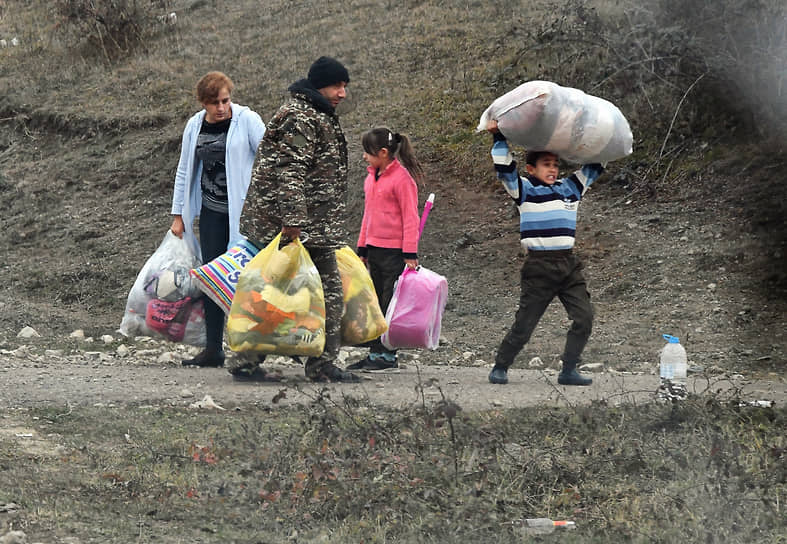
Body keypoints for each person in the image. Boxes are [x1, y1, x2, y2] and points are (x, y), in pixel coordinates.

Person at [229, 56, 360, 383]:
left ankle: (248, 360)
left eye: (344, 86)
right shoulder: (300, 117)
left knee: (276, 292)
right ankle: (319, 365)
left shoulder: (317, 113)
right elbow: (290, 171)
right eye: (336, 85)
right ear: (318, 85)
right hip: (294, 225)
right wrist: (293, 222)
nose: (342, 93)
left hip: (311, 224)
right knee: (317, 290)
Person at [485, 119, 604, 386]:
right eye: (546, 164)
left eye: (555, 164)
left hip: (568, 266)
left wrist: (602, 138)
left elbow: (595, 166)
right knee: (525, 323)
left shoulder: (571, 189)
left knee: (584, 317)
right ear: (531, 169)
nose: (552, 169)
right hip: (539, 268)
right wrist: (498, 138)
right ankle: (501, 365)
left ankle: (569, 369)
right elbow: (504, 169)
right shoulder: (524, 190)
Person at [170, 71, 266, 368]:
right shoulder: (194, 126)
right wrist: (178, 214)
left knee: (246, 280)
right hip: (212, 213)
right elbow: (185, 169)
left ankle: (251, 347)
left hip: (245, 215)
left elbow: (270, 157)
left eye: (225, 100)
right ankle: (213, 348)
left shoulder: (247, 121)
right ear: (203, 103)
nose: (221, 107)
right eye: (214, 103)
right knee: (211, 278)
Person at [346, 128, 424, 371]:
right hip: (374, 249)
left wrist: (410, 254)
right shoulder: (371, 178)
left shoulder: (403, 181)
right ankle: (376, 352)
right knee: (376, 301)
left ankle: (386, 355)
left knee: (390, 303)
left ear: (383, 153)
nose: (364, 157)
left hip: (394, 253)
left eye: (367, 153)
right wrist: (362, 247)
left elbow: (411, 218)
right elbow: (368, 215)